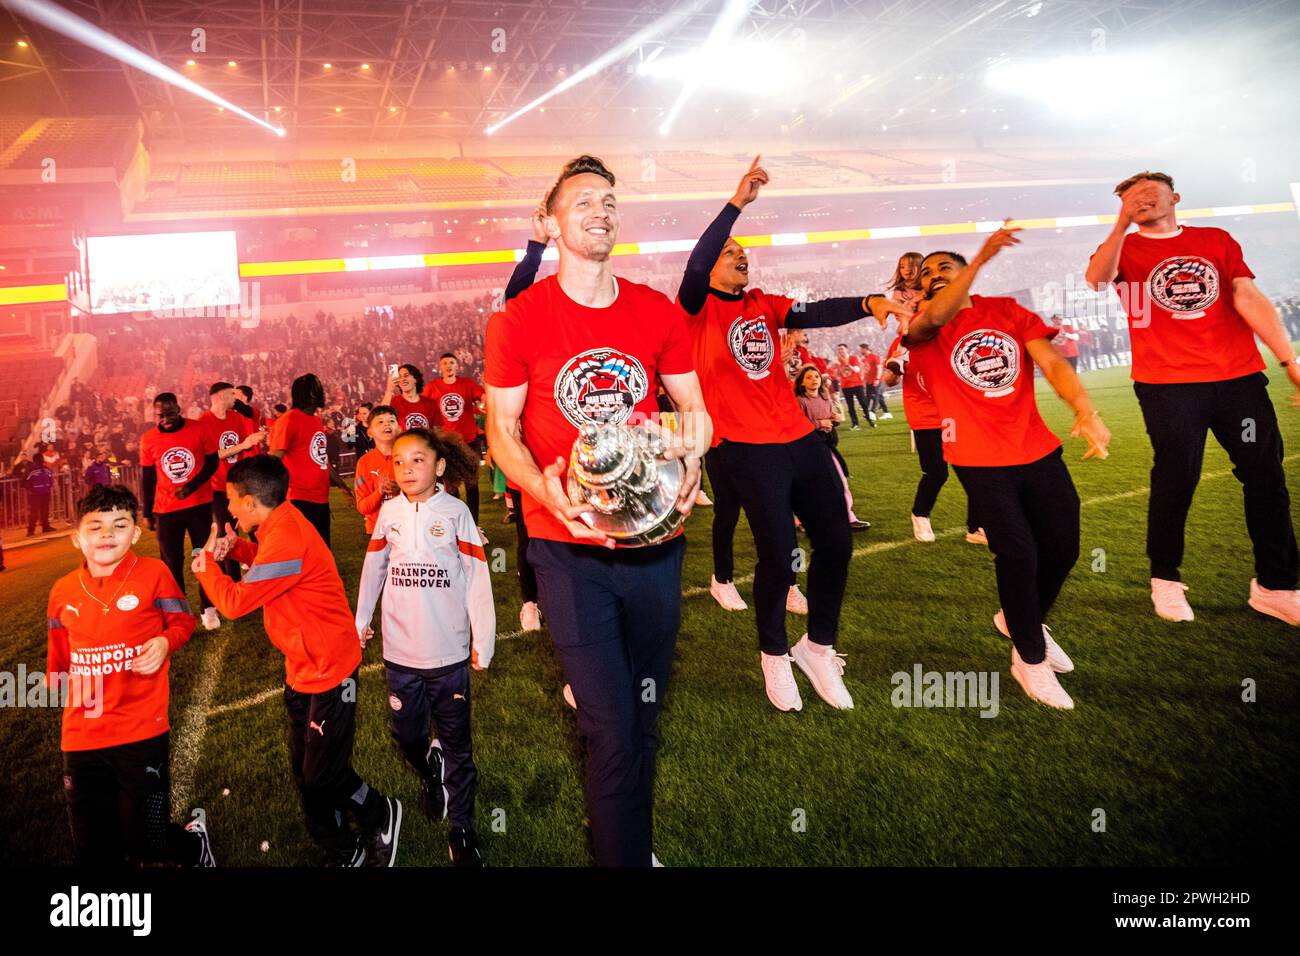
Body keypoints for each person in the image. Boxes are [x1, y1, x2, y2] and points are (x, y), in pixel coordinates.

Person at [484, 155, 711, 866]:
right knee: (612, 730)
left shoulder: (656, 311)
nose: (600, 211)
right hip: (567, 550)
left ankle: (628, 843)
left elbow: (694, 410)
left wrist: (693, 455)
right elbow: (501, 432)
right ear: (548, 224)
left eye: (609, 200)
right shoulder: (517, 320)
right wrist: (546, 491)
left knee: (642, 713)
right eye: (582, 201)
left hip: (654, 547)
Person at [674, 156, 906, 712]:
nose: (740, 256)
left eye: (743, 252)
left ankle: (818, 647)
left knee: (837, 541)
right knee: (779, 554)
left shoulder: (763, 303)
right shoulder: (693, 308)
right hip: (741, 448)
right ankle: (773, 656)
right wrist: (737, 203)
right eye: (731, 254)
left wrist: (869, 302)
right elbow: (697, 260)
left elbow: (818, 310)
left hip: (795, 440)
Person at [905, 230, 1111, 710]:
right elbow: (935, 315)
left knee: (1064, 546)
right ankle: (1029, 658)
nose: (934, 278)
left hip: (1037, 450)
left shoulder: (1006, 311)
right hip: (978, 460)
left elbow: (1053, 363)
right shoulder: (923, 326)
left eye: (943, 269)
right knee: (1018, 554)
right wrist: (977, 260)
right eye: (926, 275)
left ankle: (1019, 619)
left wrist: (1085, 409)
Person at [1086, 170, 1299, 625]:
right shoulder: (1123, 248)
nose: (1141, 200)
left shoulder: (1216, 239)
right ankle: (1165, 579)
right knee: (1177, 477)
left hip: (1238, 377)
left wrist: (1288, 360)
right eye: (1130, 197)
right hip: (1167, 384)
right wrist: (1120, 225)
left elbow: (1246, 295)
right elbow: (1098, 279)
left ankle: (1276, 586)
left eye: (1150, 194)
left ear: (1175, 197)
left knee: (1265, 477)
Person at [194, 455, 403, 866]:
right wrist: (237, 548)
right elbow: (274, 567)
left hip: (329, 667)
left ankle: (379, 813)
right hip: (303, 664)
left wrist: (206, 569)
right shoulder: (280, 524)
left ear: (252, 502)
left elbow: (235, 603)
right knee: (306, 770)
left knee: (321, 772)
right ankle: (342, 850)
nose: (230, 508)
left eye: (233, 501)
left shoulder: (288, 534)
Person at [46, 484, 214, 866]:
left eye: (119, 525)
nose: (107, 534)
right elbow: (59, 660)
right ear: (77, 538)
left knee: (145, 840)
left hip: (142, 728)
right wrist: (53, 683)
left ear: (136, 533)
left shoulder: (154, 574)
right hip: (81, 734)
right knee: (93, 848)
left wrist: (164, 643)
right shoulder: (62, 591)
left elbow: (183, 622)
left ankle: (194, 845)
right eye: (95, 527)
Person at [355, 428, 495, 866]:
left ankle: (463, 829)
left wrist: (483, 637)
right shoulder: (388, 513)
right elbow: (374, 567)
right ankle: (427, 770)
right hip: (399, 654)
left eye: (418, 460)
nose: (407, 469)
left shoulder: (455, 514)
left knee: (457, 744)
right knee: (407, 736)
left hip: (448, 653)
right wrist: (360, 620)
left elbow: (476, 577)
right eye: (399, 461)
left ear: (439, 467)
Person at [883, 323, 984, 545]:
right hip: (925, 418)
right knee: (937, 473)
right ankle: (920, 515)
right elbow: (889, 381)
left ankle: (976, 527)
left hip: (954, 413)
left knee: (974, 470)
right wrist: (894, 367)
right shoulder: (902, 344)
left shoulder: (947, 338)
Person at [139, 392, 220, 630]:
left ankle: (209, 609)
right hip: (166, 512)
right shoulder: (148, 439)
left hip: (198, 506)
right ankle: (179, 617)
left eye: (170, 413)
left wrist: (192, 486)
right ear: (155, 415)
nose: (166, 419)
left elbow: (212, 463)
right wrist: (146, 512)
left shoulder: (200, 429)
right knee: (171, 564)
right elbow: (148, 478)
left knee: (202, 557)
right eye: (160, 415)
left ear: (179, 409)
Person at [268, 373, 350, 547]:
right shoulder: (288, 420)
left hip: (320, 498)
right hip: (299, 499)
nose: (323, 393)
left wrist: (341, 484)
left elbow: (321, 460)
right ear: (311, 394)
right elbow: (273, 461)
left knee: (322, 552)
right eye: (319, 388)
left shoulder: (315, 420)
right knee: (304, 554)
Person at [200, 381, 267, 584]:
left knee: (255, 529)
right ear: (220, 397)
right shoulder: (203, 422)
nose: (235, 399)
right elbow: (211, 456)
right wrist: (243, 445)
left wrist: (254, 441)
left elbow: (242, 449)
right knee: (226, 533)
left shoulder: (236, 418)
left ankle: (261, 572)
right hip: (217, 488)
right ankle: (233, 581)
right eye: (231, 394)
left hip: (239, 485)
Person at [793, 365, 869, 531]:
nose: (814, 380)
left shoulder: (825, 399)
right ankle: (802, 520)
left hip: (826, 444)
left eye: (816, 377)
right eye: (809, 377)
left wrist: (835, 419)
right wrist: (819, 423)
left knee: (840, 479)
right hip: (807, 447)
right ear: (802, 383)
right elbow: (795, 424)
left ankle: (848, 517)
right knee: (809, 485)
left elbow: (832, 419)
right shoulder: (800, 401)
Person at [422, 353, 486, 523]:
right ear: (440, 367)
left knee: (472, 484)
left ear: (457, 366)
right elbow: (424, 408)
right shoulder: (432, 387)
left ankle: (474, 523)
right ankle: (456, 521)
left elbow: (483, 397)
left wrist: (485, 402)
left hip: (469, 441)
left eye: (452, 362)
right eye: (445, 363)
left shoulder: (466, 384)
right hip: (446, 444)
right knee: (451, 486)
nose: (448, 365)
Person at [353, 405, 399, 535]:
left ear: (399, 428)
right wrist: (379, 492)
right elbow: (362, 507)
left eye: (391, 420)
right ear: (370, 432)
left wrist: (401, 490)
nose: (387, 424)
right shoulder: (364, 463)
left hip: (408, 529)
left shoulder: (409, 457)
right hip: (377, 532)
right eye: (380, 421)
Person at [382, 363, 442, 433]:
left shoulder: (431, 404)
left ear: (415, 379)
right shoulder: (393, 403)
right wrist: (389, 390)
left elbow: (438, 432)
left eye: (406, 375)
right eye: (400, 377)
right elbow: (380, 417)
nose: (402, 379)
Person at [831, 343, 869, 430]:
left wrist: (847, 364)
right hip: (846, 386)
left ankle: (869, 418)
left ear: (846, 349)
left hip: (857, 384)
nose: (840, 351)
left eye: (841, 348)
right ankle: (855, 423)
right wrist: (837, 367)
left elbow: (856, 370)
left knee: (863, 403)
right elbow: (839, 374)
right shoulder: (837, 361)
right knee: (850, 406)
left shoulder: (853, 358)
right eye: (838, 349)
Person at [23, 450, 55, 536]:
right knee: (35, 512)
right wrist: (31, 489)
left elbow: (51, 480)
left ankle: (45, 527)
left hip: (43, 493)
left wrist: (48, 486)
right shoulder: (32, 470)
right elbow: (24, 482)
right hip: (36, 494)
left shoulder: (45, 469)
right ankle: (31, 530)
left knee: (44, 511)